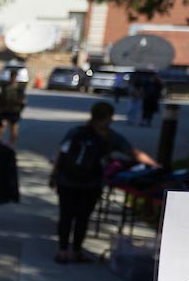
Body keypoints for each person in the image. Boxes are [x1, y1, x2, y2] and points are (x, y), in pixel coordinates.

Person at [49, 101, 158, 264]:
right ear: (108, 117)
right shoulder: (109, 137)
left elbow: (61, 152)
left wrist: (54, 174)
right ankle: (76, 251)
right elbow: (134, 153)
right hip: (91, 183)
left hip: (66, 180)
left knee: (66, 215)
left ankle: (62, 251)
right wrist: (156, 165)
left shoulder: (76, 132)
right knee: (82, 217)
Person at [0, 67, 27, 146]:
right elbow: (1, 97)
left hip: (15, 110)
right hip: (5, 109)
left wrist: (20, 107)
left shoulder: (19, 88)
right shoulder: (5, 87)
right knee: (2, 126)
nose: (13, 78)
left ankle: (11, 144)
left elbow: (23, 100)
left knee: (13, 128)